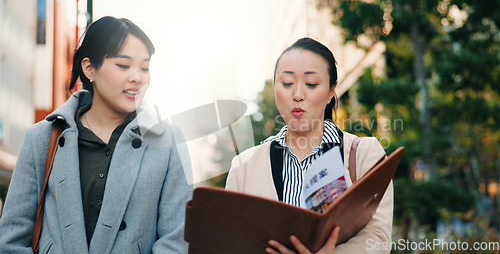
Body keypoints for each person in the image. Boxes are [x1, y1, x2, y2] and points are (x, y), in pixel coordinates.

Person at [0, 16, 192, 253]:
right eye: (123, 65)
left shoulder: (168, 140)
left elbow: (177, 239)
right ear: (89, 68)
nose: (137, 77)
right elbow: (11, 238)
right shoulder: (42, 137)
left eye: (145, 67)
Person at [225, 38, 392, 254]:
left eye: (311, 84)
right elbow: (230, 241)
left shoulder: (364, 153)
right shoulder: (243, 166)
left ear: (332, 91)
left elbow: (378, 237)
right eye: (286, 83)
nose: (297, 95)